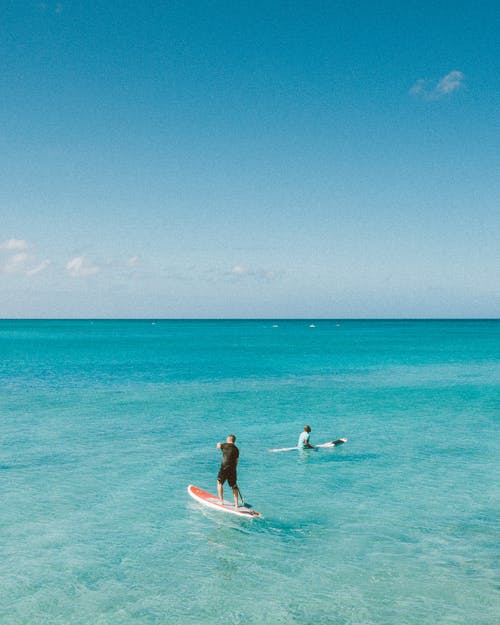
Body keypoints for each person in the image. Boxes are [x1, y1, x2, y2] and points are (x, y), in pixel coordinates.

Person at [216, 434, 239, 507]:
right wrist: (234, 469)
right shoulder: (236, 449)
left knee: (219, 483)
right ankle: (236, 504)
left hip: (224, 467)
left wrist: (219, 444)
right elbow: (236, 461)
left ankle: (221, 501)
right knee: (234, 486)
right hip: (233, 469)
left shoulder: (224, 445)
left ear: (229, 439)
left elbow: (218, 445)